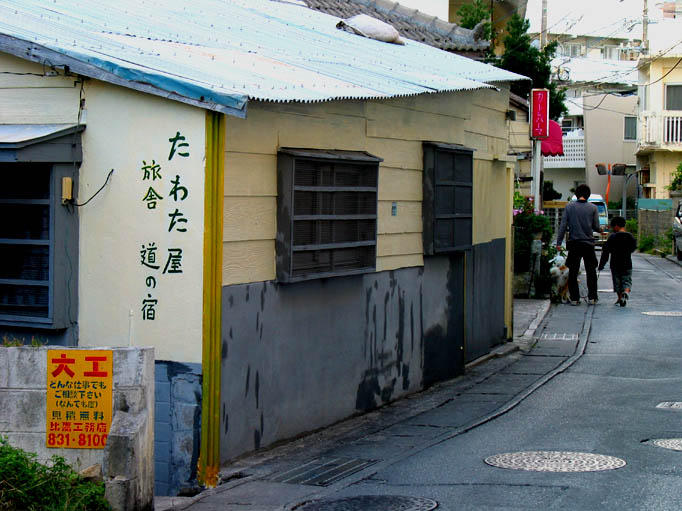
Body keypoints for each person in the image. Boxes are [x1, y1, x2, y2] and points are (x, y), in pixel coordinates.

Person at [555, 184, 601, 305]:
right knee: (591, 271)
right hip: (588, 244)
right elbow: (596, 226)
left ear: (576, 194)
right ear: (588, 195)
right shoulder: (593, 208)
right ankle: (592, 297)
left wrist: (559, 242)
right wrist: (601, 230)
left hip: (574, 244)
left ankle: (575, 298)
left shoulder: (569, 207)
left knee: (573, 272)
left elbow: (563, 226)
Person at [598, 216, 637, 307]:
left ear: (616, 226)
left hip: (615, 264)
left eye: (613, 226)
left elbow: (606, 253)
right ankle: (626, 292)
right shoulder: (630, 236)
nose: (612, 228)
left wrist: (601, 265)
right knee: (626, 280)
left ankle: (619, 298)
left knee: (617, 282)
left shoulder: (612, 237)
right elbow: (633, 247)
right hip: (627, 263)